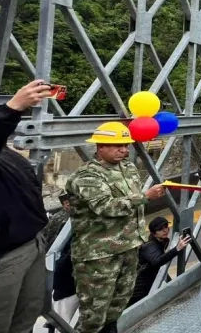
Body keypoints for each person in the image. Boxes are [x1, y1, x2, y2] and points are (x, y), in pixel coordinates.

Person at [65, 121, 167, 333]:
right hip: (99, 255)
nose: (123, 150)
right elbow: (105, 206)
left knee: (118, 305)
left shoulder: (127, 168)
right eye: (117, 145)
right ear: (100, 146)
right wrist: (144, 197)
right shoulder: (87, 175)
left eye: (126, 145)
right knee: (94, 314)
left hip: (128, 248)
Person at [0, 80, 54, 333]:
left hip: (31, 245)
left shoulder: (1, 152)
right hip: (1, 260)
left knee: (27, 315)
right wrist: (13, 108)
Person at [127, 217, 192, 306]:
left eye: (166, 226)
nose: (165, 230)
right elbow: (157, 261)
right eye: (160, 229)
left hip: (149, 285)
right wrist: (177, 249)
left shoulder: (160, 242)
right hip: (140, 290)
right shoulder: (150, 246)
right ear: (154, 233)